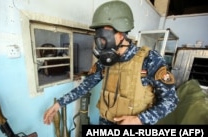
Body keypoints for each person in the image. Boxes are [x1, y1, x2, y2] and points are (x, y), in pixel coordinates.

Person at [43, 0, 179, 125]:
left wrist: (139, 119)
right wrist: (59, 104)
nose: (100, 42)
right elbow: (84, 86)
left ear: (120, 34)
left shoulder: (149, 60)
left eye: (103, 36)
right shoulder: (105, 62)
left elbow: (171, 101)